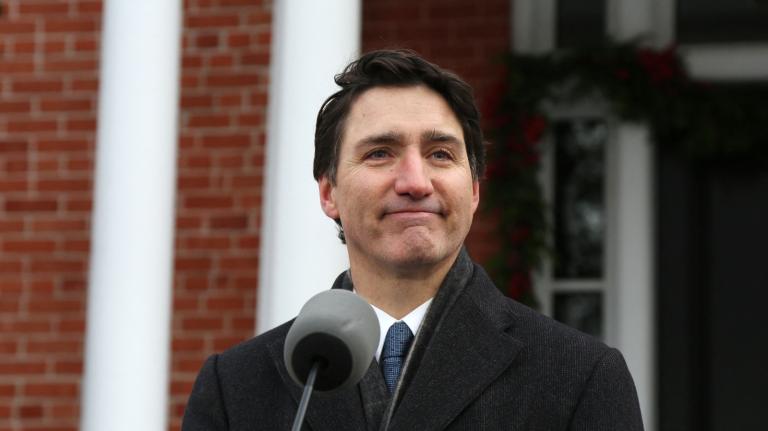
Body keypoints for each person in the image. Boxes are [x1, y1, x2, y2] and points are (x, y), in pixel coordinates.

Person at [182, 49, 644, 430]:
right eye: (380, 153)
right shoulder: (236, 388)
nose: (415, 181)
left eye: (440, 154)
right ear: (329, 193)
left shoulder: (579, 377)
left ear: (475, 189)